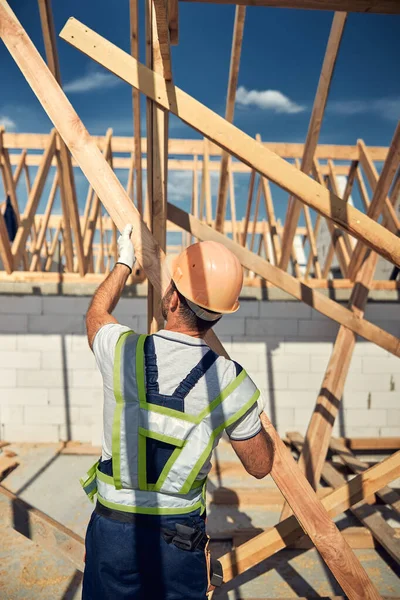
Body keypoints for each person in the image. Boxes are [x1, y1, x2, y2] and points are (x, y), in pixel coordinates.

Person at [81, 224, 274, 600]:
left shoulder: (121, 351)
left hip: (114, 530)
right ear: (218, 315)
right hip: (179, 539)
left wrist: (124, 263)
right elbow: (260, 465)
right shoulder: (231, 382)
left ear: (172, 299)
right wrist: (251, 415)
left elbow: (96, 313)